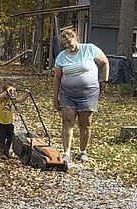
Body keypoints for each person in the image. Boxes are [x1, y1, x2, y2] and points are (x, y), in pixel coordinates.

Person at [52, 28, 110, 163]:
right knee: (67, 122)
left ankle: (83, 151)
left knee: (86, 124)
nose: (68, 46)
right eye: (65, 44)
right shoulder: (61, 56)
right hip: (67, 94)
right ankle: (66, 152)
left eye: (69, 42)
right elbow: (57, 77)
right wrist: (55, 96)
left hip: (88, 94)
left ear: (75, 38)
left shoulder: (89, 49)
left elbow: (105, 62)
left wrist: (105, 80)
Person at [0, 83, 28, 159]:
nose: (9, 95)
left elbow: (20, 100)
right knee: (2, 139)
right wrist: (6, 92)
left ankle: (6, 152)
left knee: (10, 138)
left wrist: (26, 95)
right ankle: (0, 152)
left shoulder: (11, 100)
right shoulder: (0, 100)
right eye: (8, 93)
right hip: (1, 123)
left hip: (9, 123)